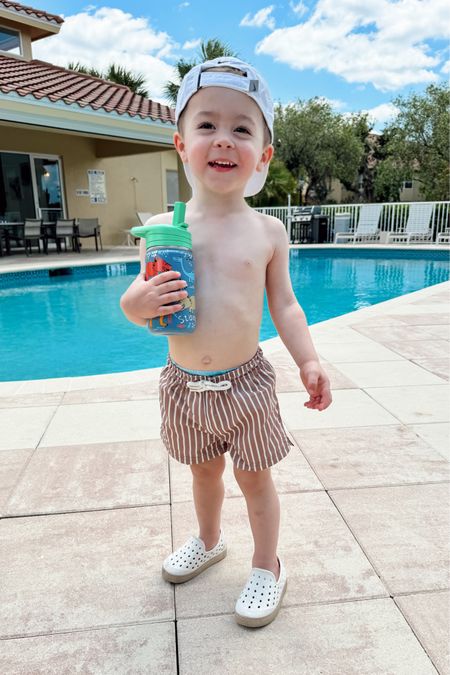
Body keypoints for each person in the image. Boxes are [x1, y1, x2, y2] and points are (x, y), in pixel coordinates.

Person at [120, 56, 332, 628]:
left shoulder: (266, 231)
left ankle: (268, 565)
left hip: (247, 383)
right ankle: (210, 540)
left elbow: (284, 304)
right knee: (204, 473)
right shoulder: (164, 228)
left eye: (242, 128)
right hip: (183, 384)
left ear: (262, 155)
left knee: (253, 476)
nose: (223, 139)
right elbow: (143, 302)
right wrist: (133, 306)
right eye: (207, 125)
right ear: (181, 144)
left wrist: (308, 359)